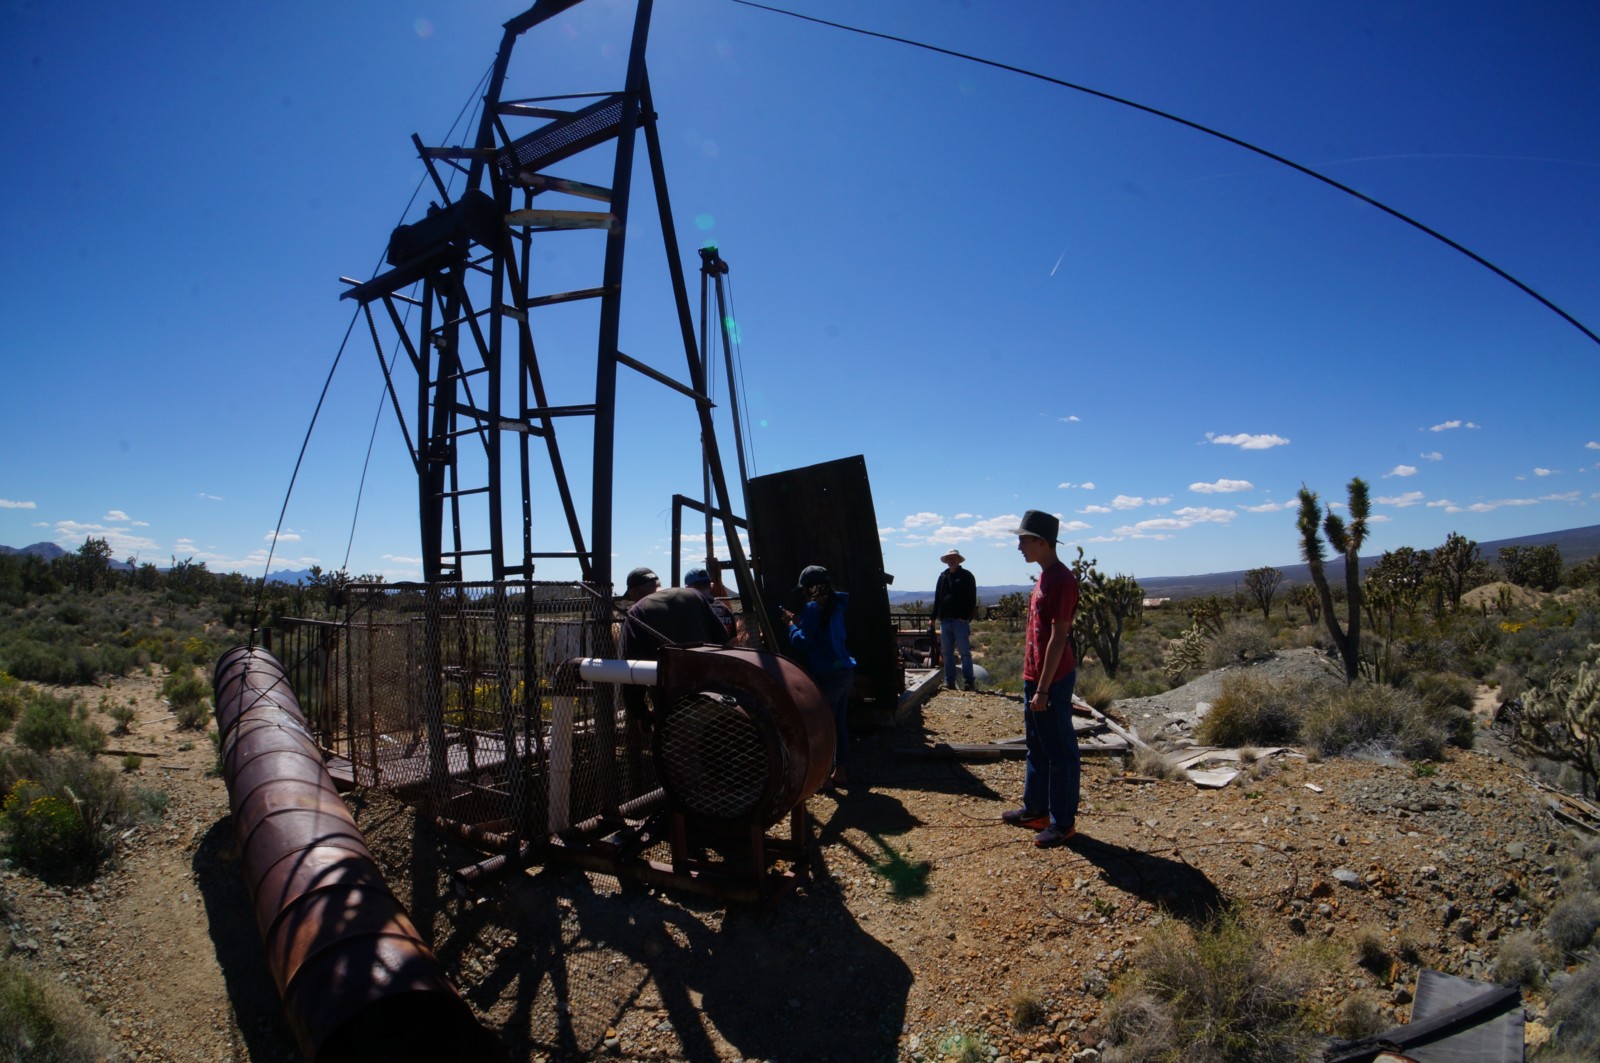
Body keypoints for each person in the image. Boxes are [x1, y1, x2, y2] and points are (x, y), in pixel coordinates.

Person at [1001, 510, 1081, 848]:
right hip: (1035, 676)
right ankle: (1036, 810)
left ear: (1042, 542)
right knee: (1037, 745)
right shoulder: (1044, 577)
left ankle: (1062, 823)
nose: (1019, 546)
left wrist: (1045, 688)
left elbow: (1059, 637)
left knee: (1060, 751)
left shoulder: (1061, 580)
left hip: (1052, 679)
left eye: (1023, 539)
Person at [617, 566, 730, 723]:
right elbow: (722, 638)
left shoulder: (638, 611)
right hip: (712, 690)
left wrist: (639, 712)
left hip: (671, 702)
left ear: (635, 591)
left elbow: (633, 666)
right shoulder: (693, 596)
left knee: (677, 743)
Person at [782, 565, 856, 788]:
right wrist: (800, 622)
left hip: (828, 675)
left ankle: (822, 777)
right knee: (838, 724)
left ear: (811, 588)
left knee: (823, 727)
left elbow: (802, 642)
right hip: (845, 670)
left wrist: (791, 625)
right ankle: (840, 771)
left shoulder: (813, 609)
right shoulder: (835, 606)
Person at [929, 548, 978, 690]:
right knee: (946, 652)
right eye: (949, 558)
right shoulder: (943, 576)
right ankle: (949, 682)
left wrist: (965, 616)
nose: (951, 560)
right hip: (945, 620)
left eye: (954, 558)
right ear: (946, 561)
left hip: (959, 621)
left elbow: (971, 598)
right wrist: (933, 617)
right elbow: (937, 597)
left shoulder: (966, 576)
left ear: (958, 559)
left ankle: (969, 682)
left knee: (964, 652)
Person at [684, 566, 736, 642]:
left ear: (688, 588)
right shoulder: (726, 610)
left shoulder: (691, 610)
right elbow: (733, 640)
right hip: (723, 652)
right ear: (711, 585)